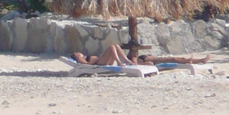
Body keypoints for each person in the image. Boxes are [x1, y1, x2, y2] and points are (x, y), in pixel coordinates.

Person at [73, 46, 211, 66]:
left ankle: (123, 60)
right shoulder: (80, 59)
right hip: (97, 65)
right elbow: (85, 65)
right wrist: (89, 64)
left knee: (113, 46)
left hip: (102, 62)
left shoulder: (87, 56)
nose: (79, 52)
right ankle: (122, 61)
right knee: (111, 47)